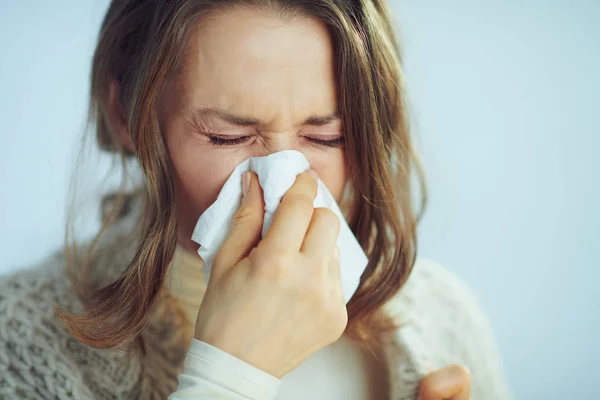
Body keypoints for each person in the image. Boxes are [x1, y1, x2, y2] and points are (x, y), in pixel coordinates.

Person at [0, 1, 512, 399]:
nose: (284, 184)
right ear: (127, 116)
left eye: (327, 137)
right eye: (227, 137)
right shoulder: (18, 341)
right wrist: (228, 374)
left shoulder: (444, 318)